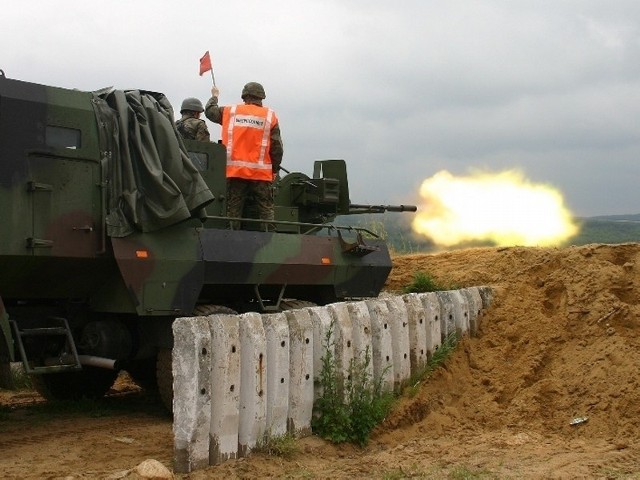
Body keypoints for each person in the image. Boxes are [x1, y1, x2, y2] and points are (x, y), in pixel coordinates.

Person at [205, 82, 284, 231]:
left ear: (244, 96)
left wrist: (214, 96)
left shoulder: (231, 112)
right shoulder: (269, 116)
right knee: (266, 211)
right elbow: (277, 147)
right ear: (261, 97)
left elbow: (210, 112)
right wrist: (273, 170)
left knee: (233, 211)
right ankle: (270, 241)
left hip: (236, 172)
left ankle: (231, 241)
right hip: (260, 173)